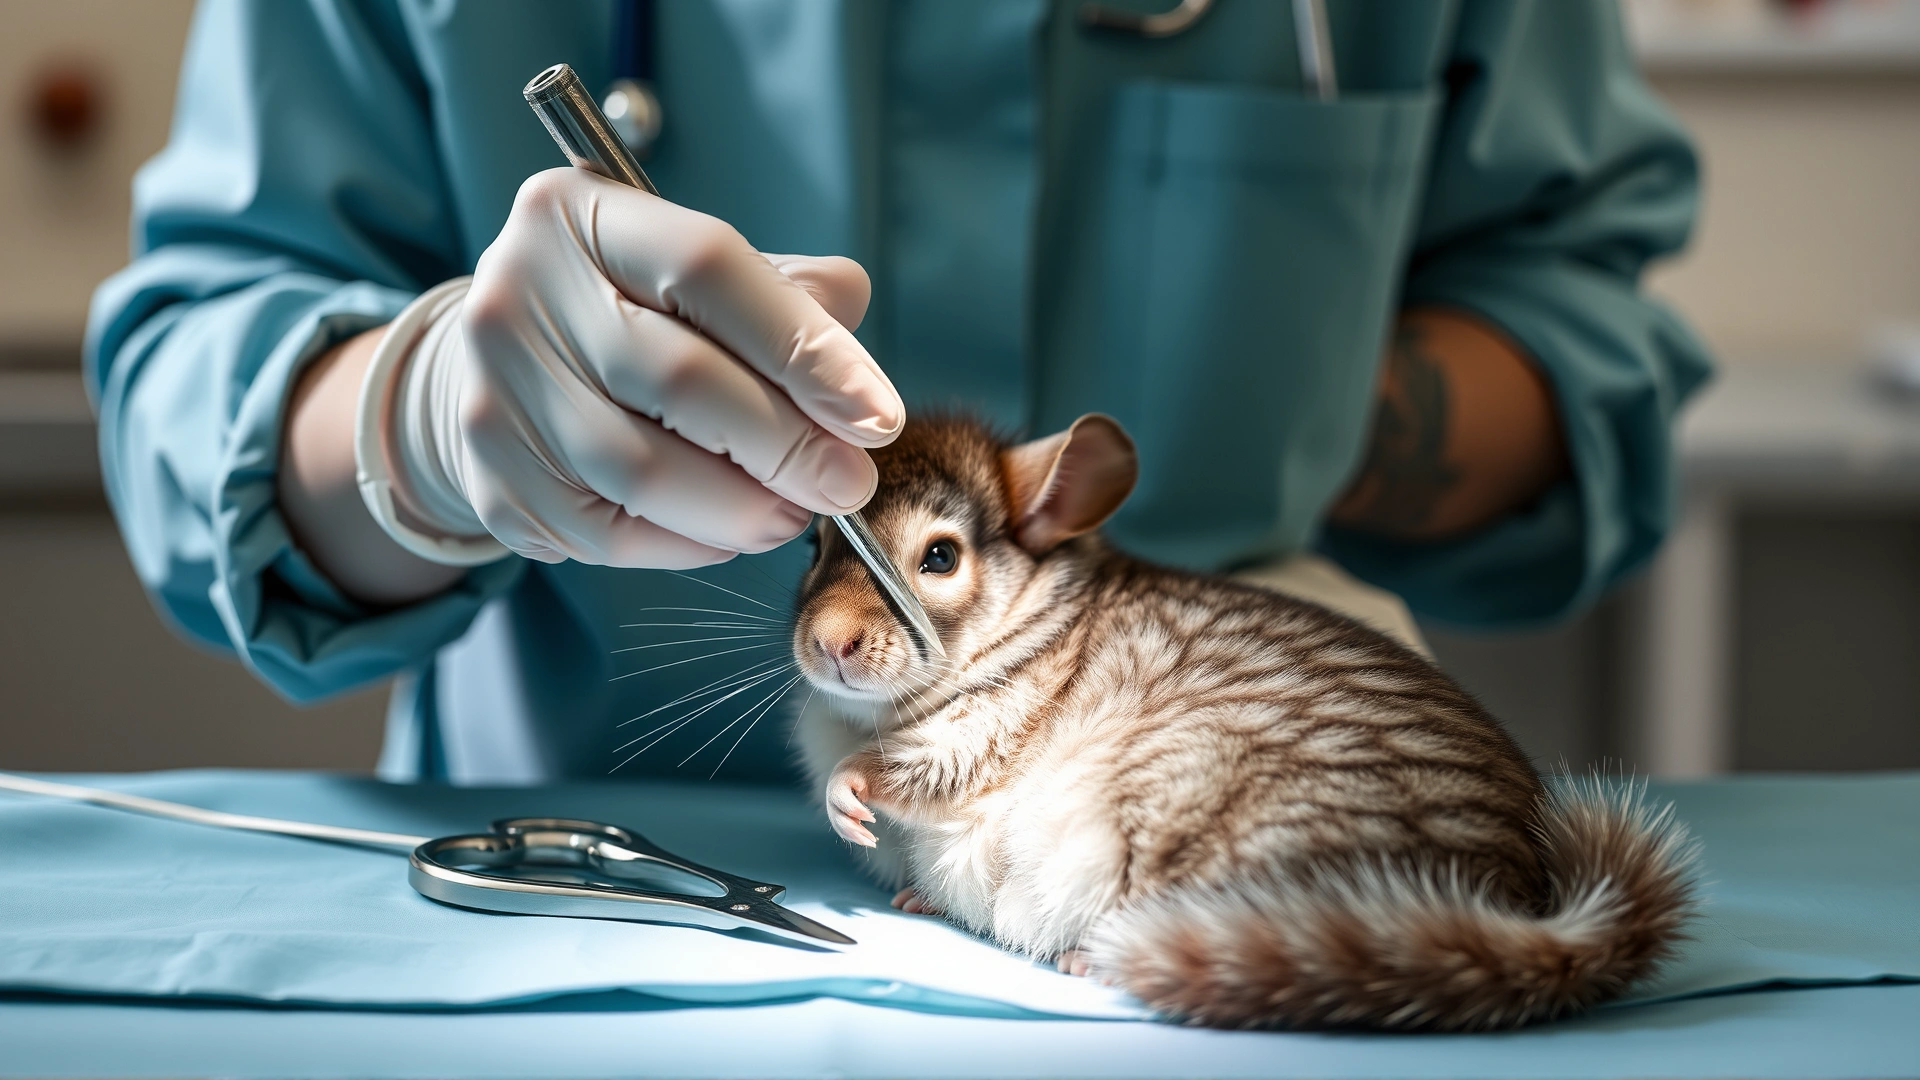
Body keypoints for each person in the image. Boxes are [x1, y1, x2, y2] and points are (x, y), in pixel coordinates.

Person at [87, 0, 1711, 785]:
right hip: (597, 877)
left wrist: (1300, 411)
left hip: (1186, 871)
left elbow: (1579, 322)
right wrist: (420, 425)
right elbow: (195, 372)